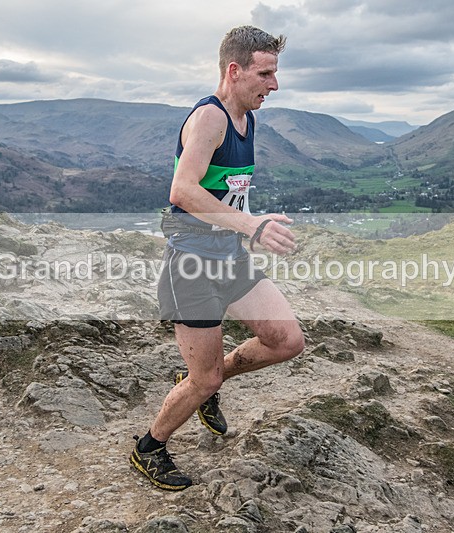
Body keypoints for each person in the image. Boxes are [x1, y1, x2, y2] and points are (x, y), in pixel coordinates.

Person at [129, 25, 305, 490]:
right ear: (234, 70)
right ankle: (149, 448)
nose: (274, 85)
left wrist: (246, 226)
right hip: (191, 265)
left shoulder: (247, 119)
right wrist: (251, 225)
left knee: (286, 340)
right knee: (203, 381)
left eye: (275, 73)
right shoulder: (210, 118)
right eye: (265, 74)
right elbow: (182, 190)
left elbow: (225, 190)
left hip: (229, 256)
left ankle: (204, 380)